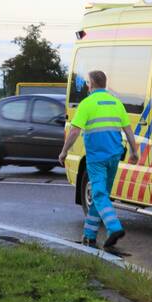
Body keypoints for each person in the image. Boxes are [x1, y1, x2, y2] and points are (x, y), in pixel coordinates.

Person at [58, 71, 139, 249]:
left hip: (96, 158)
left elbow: (74, 131)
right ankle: (89, 234)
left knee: (99, 194)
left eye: (88, 83)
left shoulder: (87, 104)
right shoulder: (116, 103)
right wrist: (134, 151)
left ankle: (114, 227)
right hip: (114, 156)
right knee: (101, 196)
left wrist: (64, 152)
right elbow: (128, 130)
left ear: (91, 84)